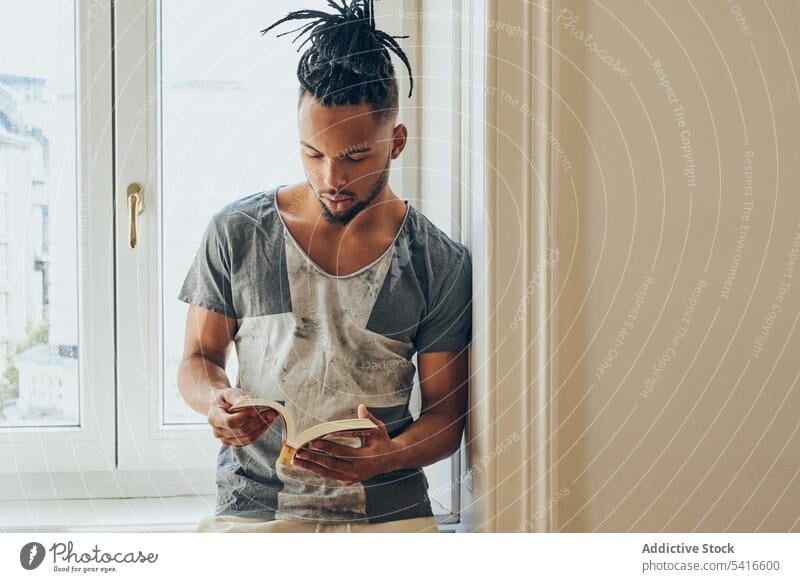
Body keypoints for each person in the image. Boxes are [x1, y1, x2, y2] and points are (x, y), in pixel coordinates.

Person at [176, 0, 472, 533]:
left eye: (355, 156)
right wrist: (216, 401)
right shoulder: (237, 231)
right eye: (313, 153)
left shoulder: (439, 262)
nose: (331, 177)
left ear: (396, 143)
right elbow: (198, 359)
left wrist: (389, 454)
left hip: (388, 516)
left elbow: (446, 420)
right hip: (255, 511)